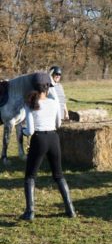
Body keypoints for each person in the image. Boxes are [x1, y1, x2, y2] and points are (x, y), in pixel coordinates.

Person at [20, 72, 76, 220]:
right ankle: (70, 209)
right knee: (59, 175)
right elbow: (58, 124)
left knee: (30, 176)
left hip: (39, 139)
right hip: (53, 138)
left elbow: (30, 130)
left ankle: (30, 212)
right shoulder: (54, 103)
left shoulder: (30, 103)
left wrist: (24, 132)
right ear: (48, 87)